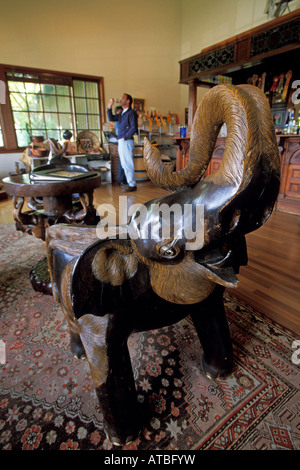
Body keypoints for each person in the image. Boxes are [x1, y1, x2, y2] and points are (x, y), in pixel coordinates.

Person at [107, 93, 138, 192]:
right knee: (124, 164)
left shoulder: (131, 113)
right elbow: (111, 118)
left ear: (128, 101)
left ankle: (132, 184)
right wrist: (109, 106)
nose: (121, 100)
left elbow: (134, 127)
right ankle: (130, 183)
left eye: (123, 98)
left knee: (127, 163)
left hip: (126, 141)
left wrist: (125, 136)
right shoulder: (122, 113)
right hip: (122, 141)